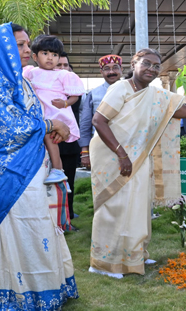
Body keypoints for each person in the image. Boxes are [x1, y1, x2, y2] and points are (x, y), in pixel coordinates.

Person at [0, 22, 78, 311]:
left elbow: (29, 118)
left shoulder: (17, 80)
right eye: (21, 45)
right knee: (23, 232)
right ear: (2, 48)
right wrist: (53, 125)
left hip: (29, 168)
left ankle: (50, 292)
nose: (28, 50)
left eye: (28, 44)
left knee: (39, 227)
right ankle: (26, 299)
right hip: (9, 177)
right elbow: (13, 126)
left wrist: (51, 123)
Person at [89, 48, 186, 279]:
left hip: (138, 158)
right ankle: (104, 263)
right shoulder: (120, 88)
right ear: (134, 64)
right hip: (114, 157)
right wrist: (121, 154)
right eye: (147, 63)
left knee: (137, 206)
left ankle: (134, 254)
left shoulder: (155, 95)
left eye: (156, 66)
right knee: (115, 207)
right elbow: (99, 120)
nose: (152, 68)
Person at [23, 35, 85, 185]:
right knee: (44, 140)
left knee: (50, 137)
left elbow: (75, 96)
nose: (50, 58)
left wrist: (64, 103)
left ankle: (58, 169)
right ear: (35, 56)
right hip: (40, 112)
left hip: (55, 113)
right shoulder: (31, 72)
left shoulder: (63, 75)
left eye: (54, 55)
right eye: (45, 54)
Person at [79, 54, 122, 170]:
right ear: (101, 72)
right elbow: (85, 124)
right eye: (107, 69)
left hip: (128, 146)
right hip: (100, 147)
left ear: (121, 70)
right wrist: (85, 152)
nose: (111, 72)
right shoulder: (94, 94)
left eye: (115, 68)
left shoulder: (132, 91)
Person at [57, 52, 81, 226]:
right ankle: (55, 218)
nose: (63, 69)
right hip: (49, 145)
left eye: (66, 65)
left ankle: (69, 215)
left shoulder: (75, 94)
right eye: (60, 65)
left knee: (69, 182)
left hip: (70, 146)